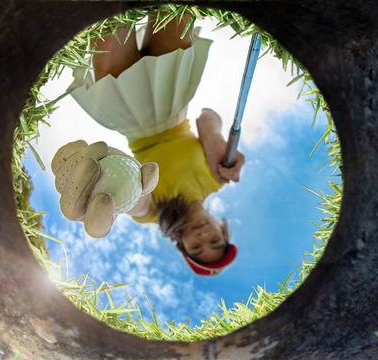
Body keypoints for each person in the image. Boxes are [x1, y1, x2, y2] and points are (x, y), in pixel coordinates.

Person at [63, 13, 245, 276]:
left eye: (197, 247)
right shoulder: (217, 177)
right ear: (222, 228)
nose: (203, 236)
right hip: (172, 97)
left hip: (128, 108)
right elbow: (207, 116)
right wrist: (215, 141)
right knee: (173, 11)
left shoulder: (152, 213)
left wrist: (111, 193)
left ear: (181, 244)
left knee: (110, 21)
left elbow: (134, 194)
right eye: (215, 240)